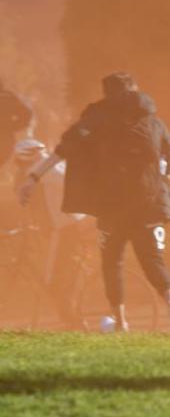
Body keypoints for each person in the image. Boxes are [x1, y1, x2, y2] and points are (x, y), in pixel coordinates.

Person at [18, 72, 170, 333]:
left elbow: (64, 148)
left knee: (112, 261)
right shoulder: (154, 122)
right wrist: (165, 175)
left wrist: (34, 176)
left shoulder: (96, 119)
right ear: (134, 90)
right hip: (150, 204)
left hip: (113, 206)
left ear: (106, 92)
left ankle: (120, 321)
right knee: (152, 259)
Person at [12, 138, 88, 328]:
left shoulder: (42, 170)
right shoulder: (54, 166)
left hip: (64, 230)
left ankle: (75, 323)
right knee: (56, 275)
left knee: (55, 282)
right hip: (68, 226)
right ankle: (70, 317)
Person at [0, 79, 33, 170]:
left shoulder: (8, 97)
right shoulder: (9, 97)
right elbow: (27, 114)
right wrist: (13, 127)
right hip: (5, 139)